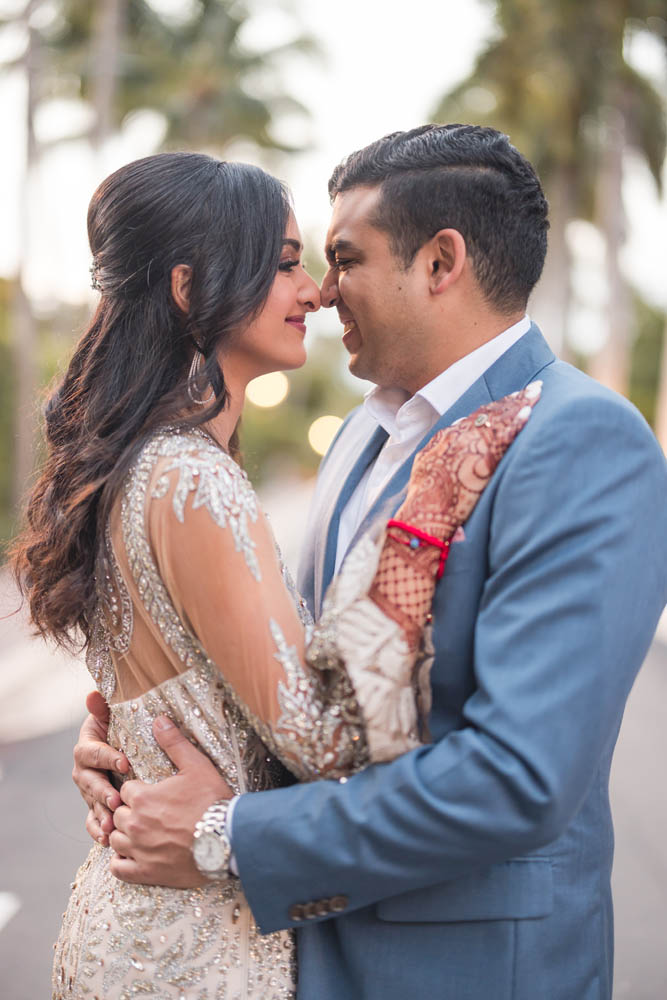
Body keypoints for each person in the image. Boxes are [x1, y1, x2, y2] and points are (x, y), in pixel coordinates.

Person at [72, 126, 667, 1000]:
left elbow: (519, 777)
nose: (320, 290)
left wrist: (224, 833)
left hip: (460, 969)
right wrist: (136, 754)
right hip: (288, 950)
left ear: (439, 261)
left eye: (343, 257)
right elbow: (291, 682)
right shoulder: (358, 434)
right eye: (303, 263)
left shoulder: (580, 439)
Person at [13, 148, 538, 999]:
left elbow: (180, 697)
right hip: (192, 948)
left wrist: (125, 759)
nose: (313, 293)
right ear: (189, 289)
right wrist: (428, 515)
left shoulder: (149, 467)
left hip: (149, 925)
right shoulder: (188, 477)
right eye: (287, 264)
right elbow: (327, 746)